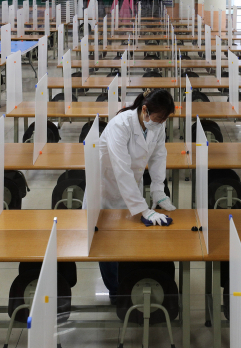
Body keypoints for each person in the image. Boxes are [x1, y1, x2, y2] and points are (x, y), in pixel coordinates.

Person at [95, 88, 176, 303]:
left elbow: (159, 156)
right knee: (108, 244)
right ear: (144, 110)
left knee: (128, 239)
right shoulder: (119, 126)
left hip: (132, 188)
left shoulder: (157, 125)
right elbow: (121, 170)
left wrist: (159, 192)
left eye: (164, 120)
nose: (160, 124)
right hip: (106, 189)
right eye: (158, 119)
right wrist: (142, 209)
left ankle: (127, 284)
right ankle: (115, 291)